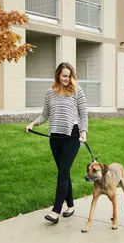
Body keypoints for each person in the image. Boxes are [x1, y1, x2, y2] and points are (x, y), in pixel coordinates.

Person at [25, 62, 88, 224]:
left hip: (72, 136)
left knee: (62, 172)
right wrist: (33, 123)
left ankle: (56, 211)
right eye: (64, 76)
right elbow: (45, 114)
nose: (67, 79)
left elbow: (83, 115)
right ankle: (71, 206)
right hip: (55, 138)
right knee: (63, 172)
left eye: (69, 76)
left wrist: (83, 132)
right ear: (58, 76)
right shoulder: (50, 92)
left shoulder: (77, 91)